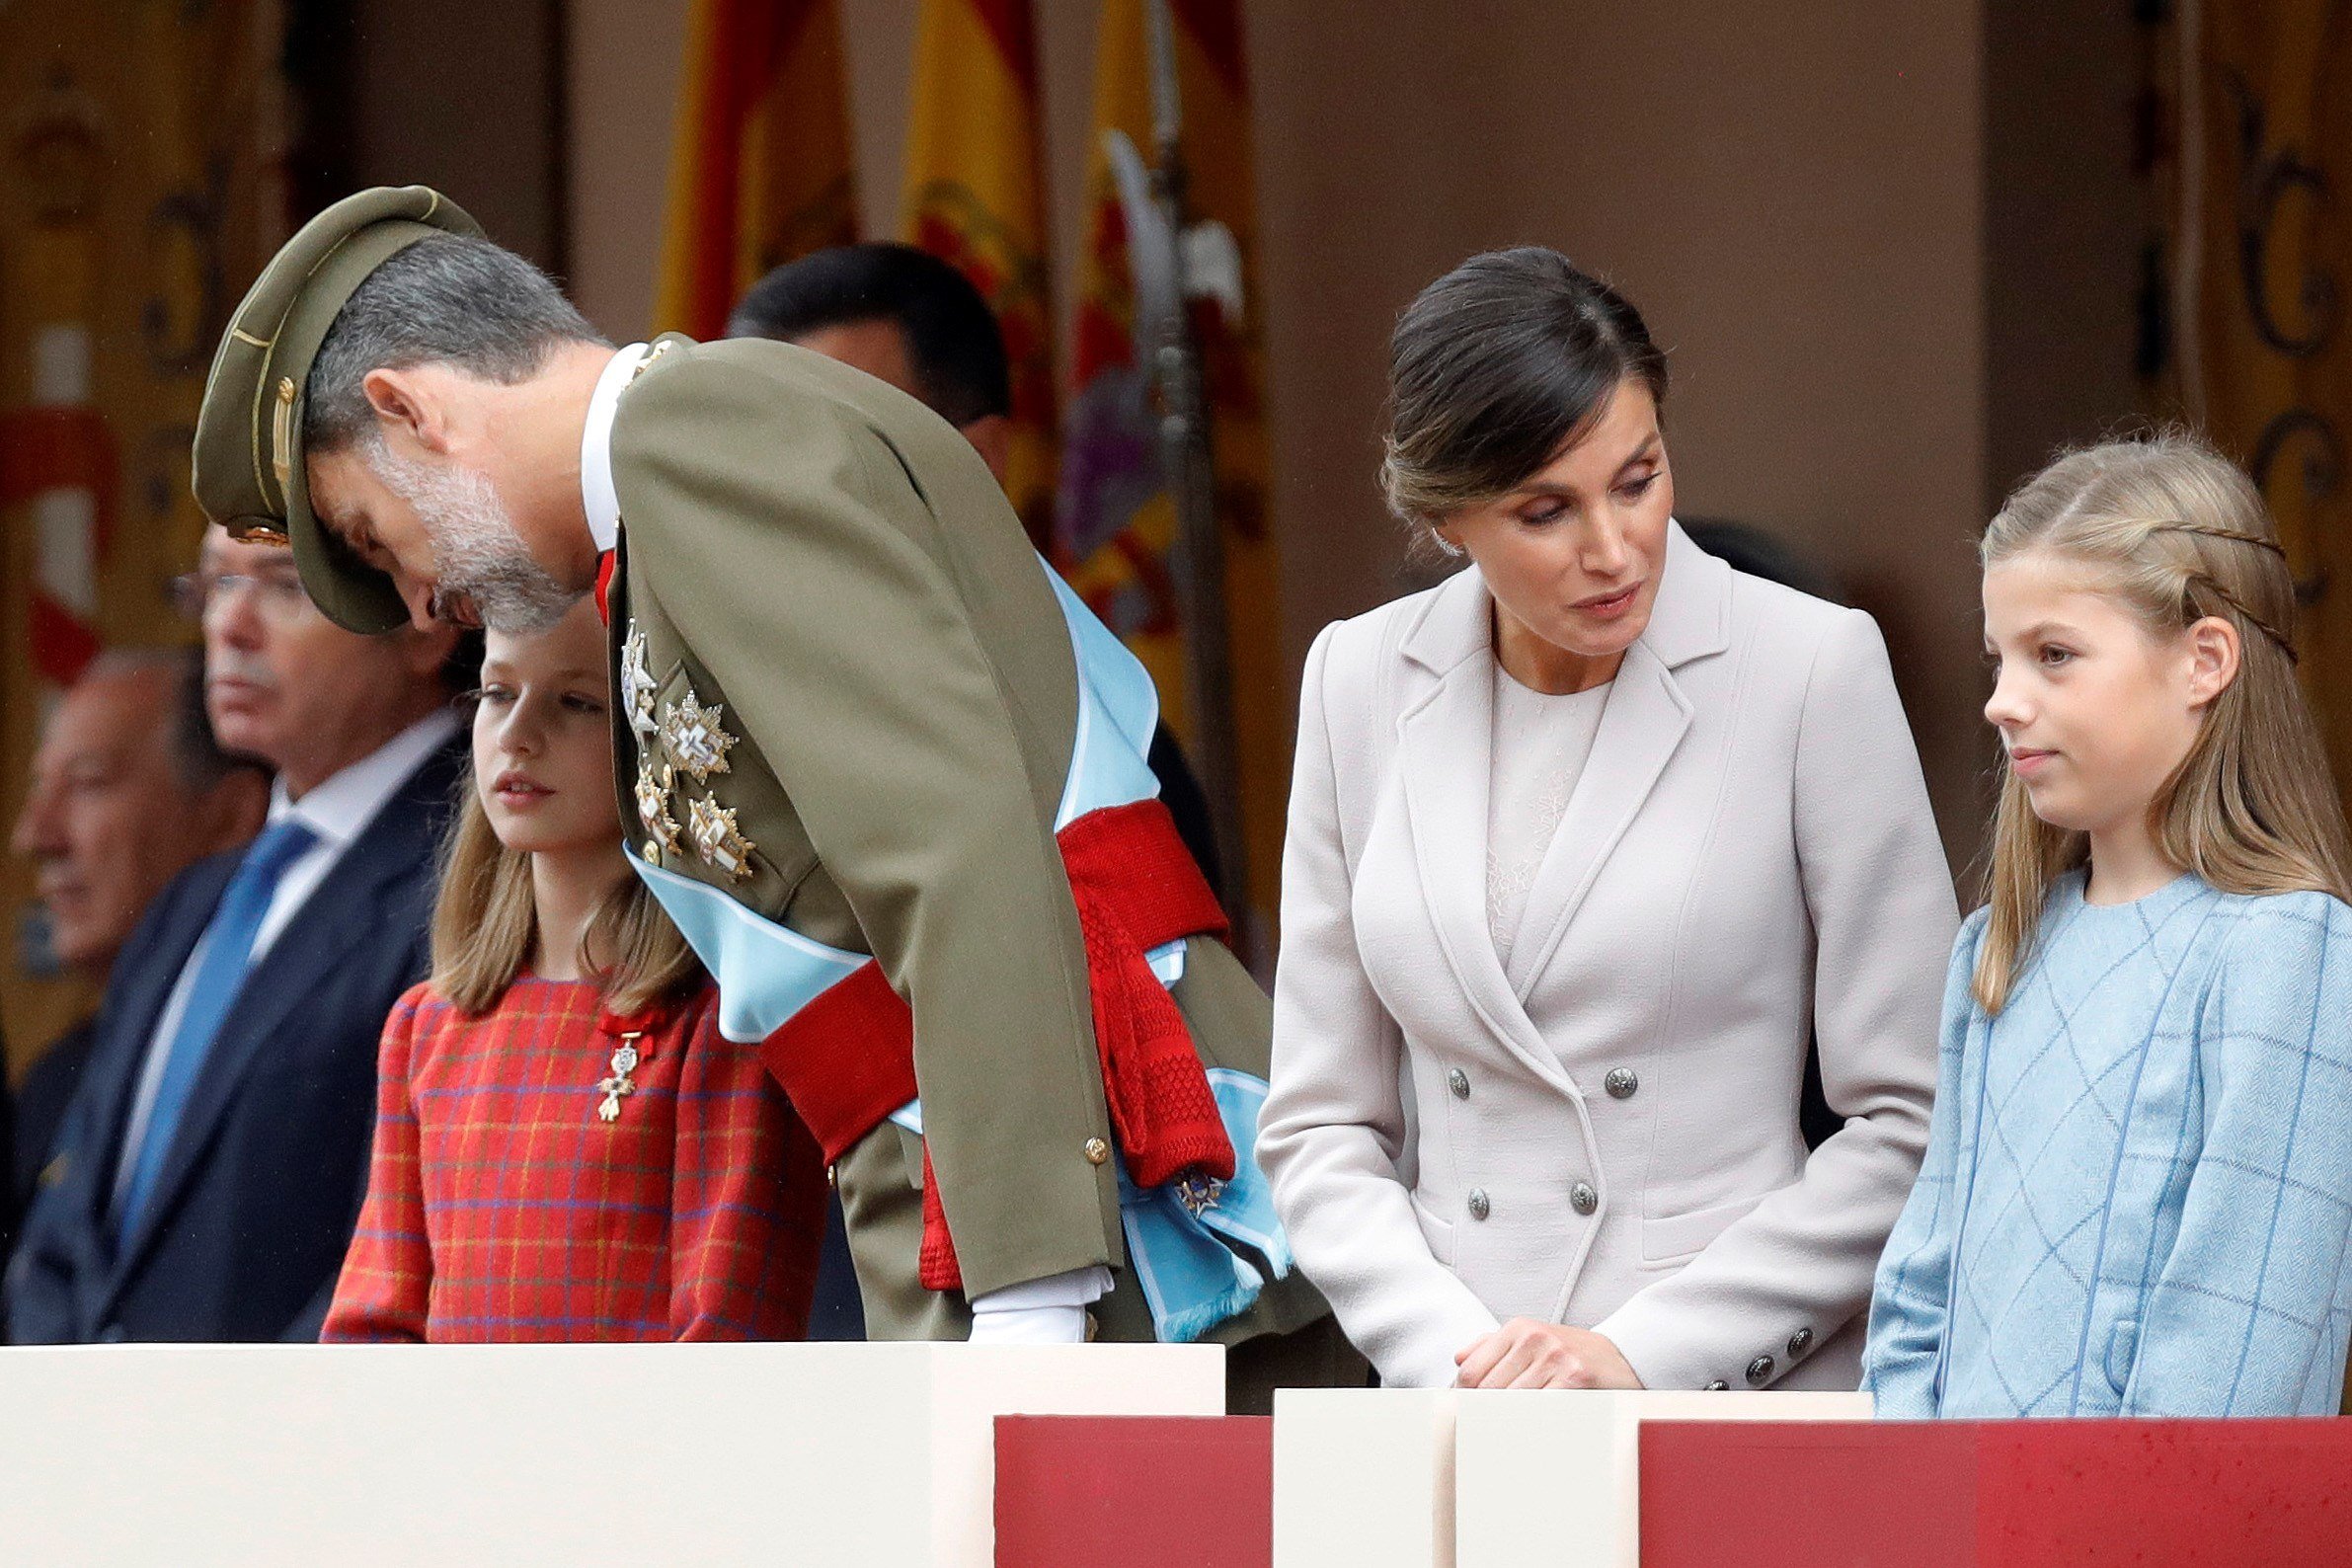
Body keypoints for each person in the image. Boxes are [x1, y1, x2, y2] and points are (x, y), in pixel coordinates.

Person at [188, 187, 1347, 1408]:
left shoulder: (695, 438)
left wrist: (1028, 1296)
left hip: (1110, 1225)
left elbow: (950, 843)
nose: (422, 601)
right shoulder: (679, 472)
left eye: (376, 538)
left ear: (408, 410)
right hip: (1056, 1194)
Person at [1258, 248, 1955, 1392]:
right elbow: (1321, 1122)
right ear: (1446, 518)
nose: (1613, 548)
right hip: (1459, 1406)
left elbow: (1915, 1116)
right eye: (1546, 510)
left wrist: (1642, 1356)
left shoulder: (1807, 666)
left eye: (1638, 479)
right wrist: (1459, 1362)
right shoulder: (1358, 679)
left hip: (1724, 1400)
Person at [729, 243, 1229, 1341]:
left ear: (973, 460)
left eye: (825, 451)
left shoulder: (1095, 747)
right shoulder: (728, 724)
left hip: (1019, 1317)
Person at [1864, 434, 2352, 1418]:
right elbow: (1921, 1291)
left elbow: (2238, 1350)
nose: (2005, 700)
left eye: (2054, 655)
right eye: (1999, 657)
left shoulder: (2288, 950)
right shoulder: (1996, 951)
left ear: (2205, 659)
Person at [4, 529, 466, 1344]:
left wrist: (218, 1444)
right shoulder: (196, 899)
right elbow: (68, 1227)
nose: (230, 628)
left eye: (284, 586)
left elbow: (409, 1251)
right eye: (216, 585)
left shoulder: (468, 885)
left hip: (276, 1454)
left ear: (425, 620)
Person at [325, 600, 825, 1341]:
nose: (518, 736)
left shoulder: (726, 1024)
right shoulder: (425, 1029)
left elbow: (728, 1342)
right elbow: (373, 1329)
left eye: (577, 702)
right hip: (445, 1456)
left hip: (639, 1456)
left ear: (654, 739)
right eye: (498, 693)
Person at [7, 650, 269, 1225]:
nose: (35, 836)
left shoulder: (288, 1051)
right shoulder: (54, 1080)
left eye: (88, 783)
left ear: (229, 817)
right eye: (40, 788)